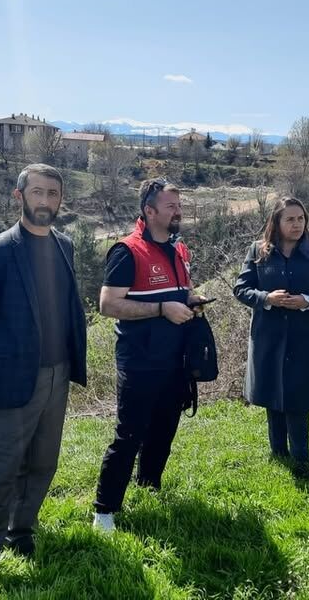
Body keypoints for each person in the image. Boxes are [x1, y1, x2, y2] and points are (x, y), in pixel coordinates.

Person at [0, 163, 88, 592]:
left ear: (60, 200)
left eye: (53, 194)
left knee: (43, 463)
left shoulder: (65, 246)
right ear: (19, 196)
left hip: (57, 375)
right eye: (37, 193)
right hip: (10, 380)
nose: (45, 201)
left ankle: (20, 530)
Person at [92, 177, 207, 532]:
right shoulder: (127, 251)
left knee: (164, 429)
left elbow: (180, 292)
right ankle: (104, 510)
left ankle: (149, 485)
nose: (178, 212)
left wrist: (190, 301)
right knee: (129, 434)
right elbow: (108, 305)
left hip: (176, 359)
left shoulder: (180, 249)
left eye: (179, 205)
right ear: (149, 210)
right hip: (140, 360)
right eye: (171, 206)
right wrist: (162, 309)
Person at [233, 197, 309, 479]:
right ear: (276, 223)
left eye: (301, 219)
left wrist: (306, 301)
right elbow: (241, 289)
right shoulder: (259, 251)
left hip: (305, 338)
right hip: (267, 337)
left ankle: (301, 458)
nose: (296, 225)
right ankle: (278, 453)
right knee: (272, 394)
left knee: (297, 396)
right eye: (290, 219)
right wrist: (266, 298)